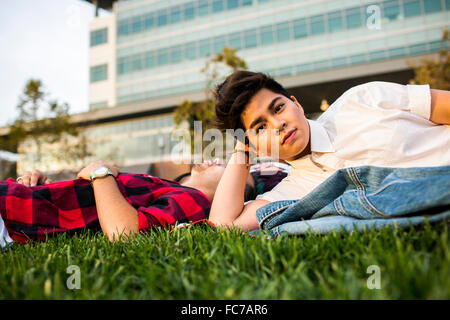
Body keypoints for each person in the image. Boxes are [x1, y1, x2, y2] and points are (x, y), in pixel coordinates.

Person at [209, 70, 450, 231]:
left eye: (279, 108)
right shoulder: (292, 192)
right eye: (261, 127)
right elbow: (223, 225)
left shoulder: (361, 99)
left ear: (297, 104)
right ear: (253, 146)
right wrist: (243, 150)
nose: (278, 124)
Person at [0, 158, 256, 247]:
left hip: (13, 215)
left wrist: (100, 172)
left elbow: (125, 233)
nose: (216, 160)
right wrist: (44, 184)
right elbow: (86, 183)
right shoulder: (169, 188)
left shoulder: (195, 200)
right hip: (17, 200)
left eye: (229, 167)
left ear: (232, 191)